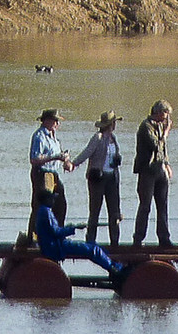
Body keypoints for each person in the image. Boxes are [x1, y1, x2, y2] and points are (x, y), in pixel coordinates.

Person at [32, 193, 124, 279]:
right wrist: (73, 228)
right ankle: (113, 269)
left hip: (56, 244)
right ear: (46, 199)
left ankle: (113, 265)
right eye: (52, 199)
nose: (54, 201)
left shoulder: (43, 211)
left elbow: (53, 231)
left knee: (92, 244)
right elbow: (56, 232)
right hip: (56, 247)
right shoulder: (45, 212)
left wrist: (70, 227)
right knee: (93, 250)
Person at [71, 111, 125, 247]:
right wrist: (74, 164)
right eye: (114, 122)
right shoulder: (98, 138)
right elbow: (87, 152)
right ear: (109, 124)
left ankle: (115, 242)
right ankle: (90, 241)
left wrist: (117, 160)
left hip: (112, 177)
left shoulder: (113, 138)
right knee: (95, 210)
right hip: (98, 178)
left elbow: (114, 156)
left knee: (114, 211)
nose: (115, 125)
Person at [132, 101, 173, 248]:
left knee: (163, 206)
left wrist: (167, 164)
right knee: (145, 206)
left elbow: (163, 149)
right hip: (147, 171)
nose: (167, 117)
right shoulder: (146, 126)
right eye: (165, 113)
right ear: (158, 112)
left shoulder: (160, 126)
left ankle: (164, 238)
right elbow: (156, 145)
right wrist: (166, 133)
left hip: (160, 169)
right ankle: (138, 239)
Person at [27, 108, 72, 237]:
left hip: (54, 173)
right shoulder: (39, 136)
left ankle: (57, 234)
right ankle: (34, 237)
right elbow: (34, 159)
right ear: (47, 121)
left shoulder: (54, 138)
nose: (57, 124)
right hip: (42, 173)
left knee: (60, 204)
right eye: (55, 121)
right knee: (41, 206)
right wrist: (54, 157)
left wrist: (66, 161)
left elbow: (60, 154)